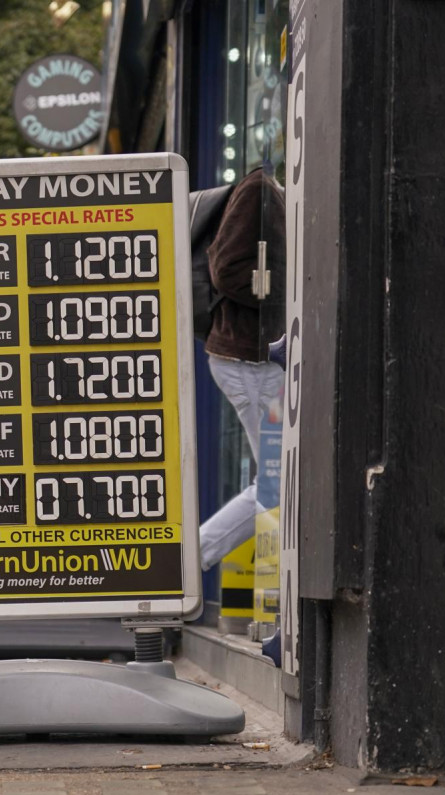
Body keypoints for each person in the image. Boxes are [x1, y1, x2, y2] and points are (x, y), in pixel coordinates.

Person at [198, 168, 287, 571]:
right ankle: (188, 564)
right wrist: (291, 295)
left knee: (281, 481)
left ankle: (187, 564)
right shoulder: (260, 189)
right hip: (248, 362)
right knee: (278, 482)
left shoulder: (279, 194)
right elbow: (228, 269)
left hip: (262, 360)